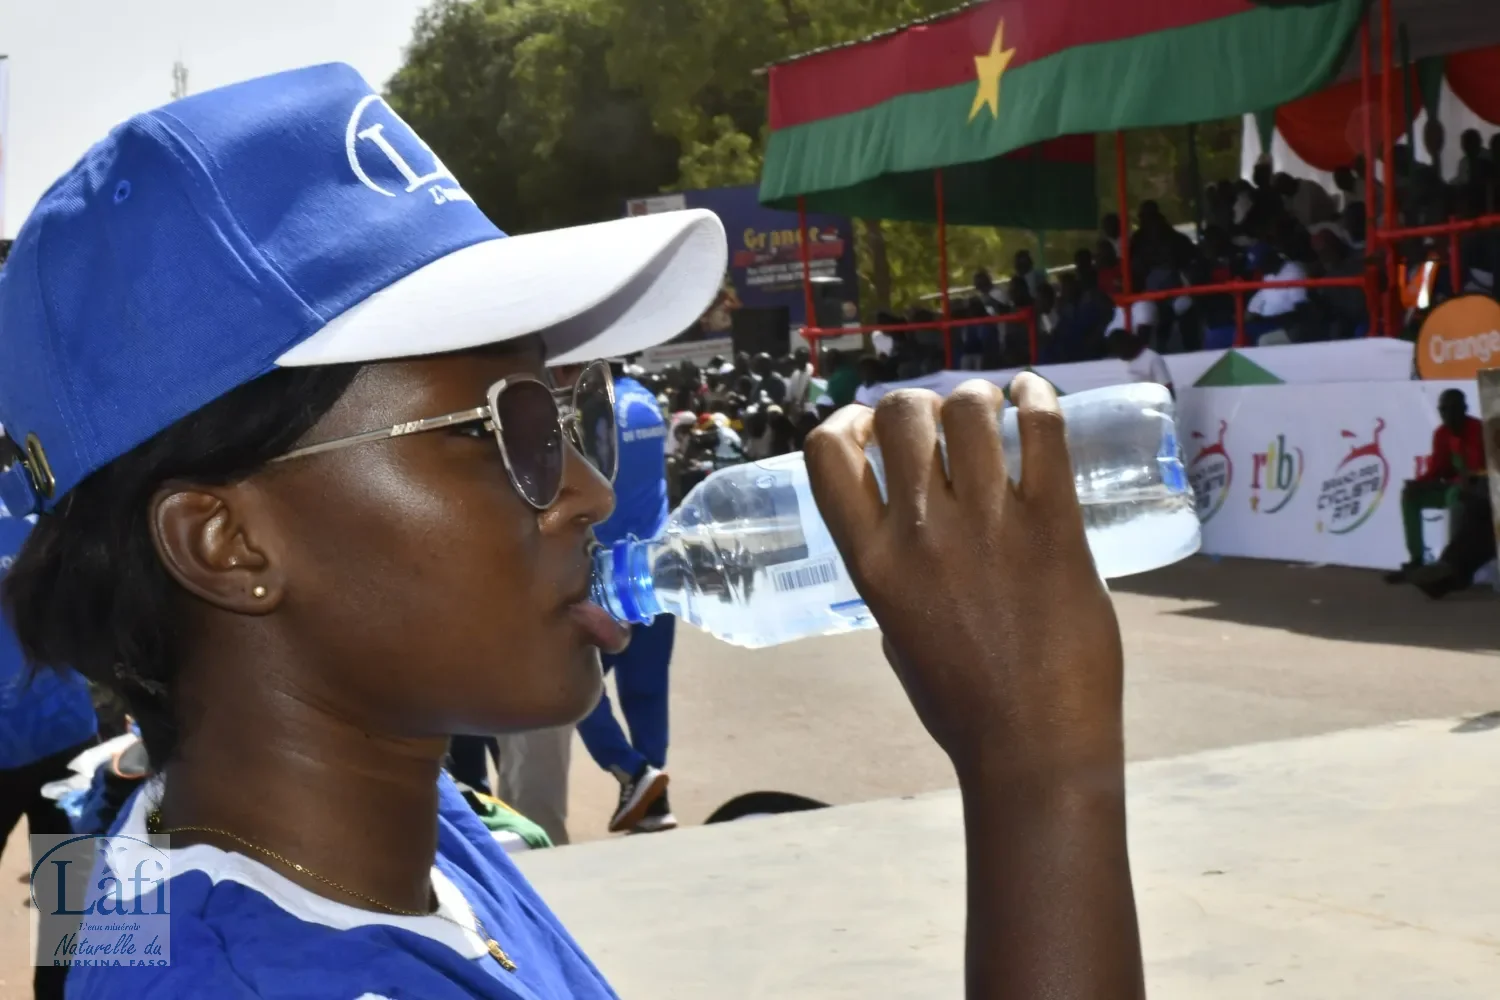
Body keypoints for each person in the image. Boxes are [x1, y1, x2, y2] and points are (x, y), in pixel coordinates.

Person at [0, 65, 1146, 1000]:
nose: (591, 491)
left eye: (572, 412)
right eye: (510, 427)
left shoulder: (380, 816)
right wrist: (1040, 773)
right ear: (227, 542)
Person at [574, 362, 678, 834]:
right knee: (647, 690)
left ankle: (632, 771)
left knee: (575, 682)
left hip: (608, 569)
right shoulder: (646, 400)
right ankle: (655, 801)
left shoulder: (592, 408)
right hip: (656, 562)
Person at [1, 514, 99, 1000]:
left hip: (65, 740)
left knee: (72, 906)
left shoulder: (39, 507)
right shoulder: (38, 509)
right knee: (71, 904)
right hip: (65, 731)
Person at [1386, 389, 1488, 583]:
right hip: (1451, 488)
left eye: (1453, 409)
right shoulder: (1441, 434)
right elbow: (1437, 470)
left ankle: (1453, 566)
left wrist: (1443, 484)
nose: (1448, 415)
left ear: (1464, 409)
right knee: (1410, 497)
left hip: (1478, 493)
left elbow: (1475, 474)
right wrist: (1419, 484)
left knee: (1456, 496)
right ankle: (1416, 560)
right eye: (1444, 410)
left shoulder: (1478, 430)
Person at [1107, 328, 1174, 397]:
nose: (1119, 356)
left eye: (1120, 351)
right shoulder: (1126, 360)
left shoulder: (1152, 359)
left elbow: (1167, 389)